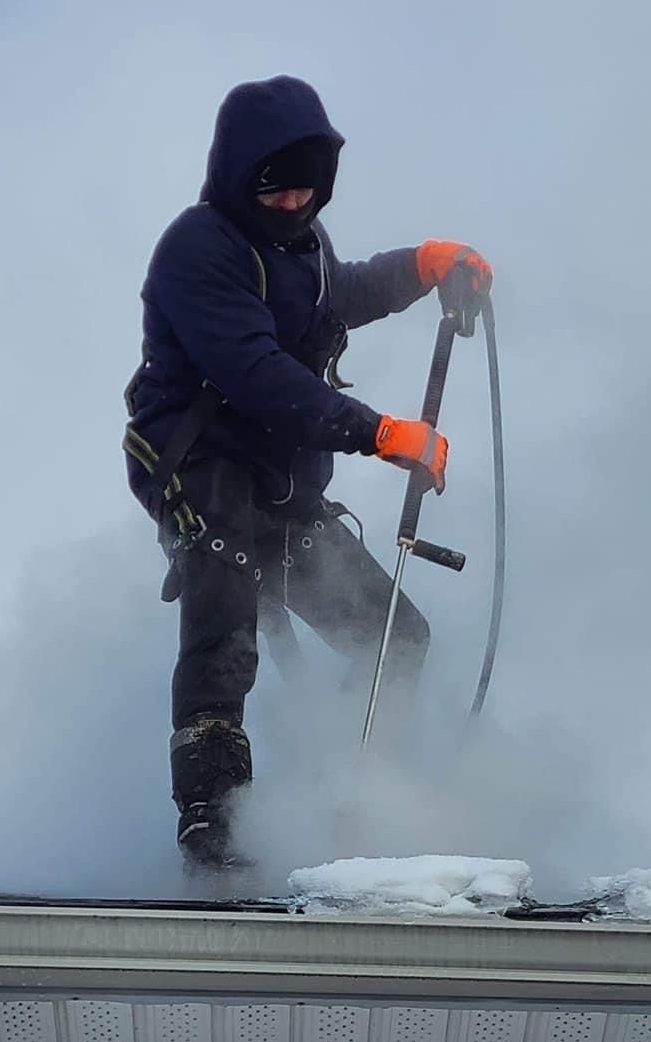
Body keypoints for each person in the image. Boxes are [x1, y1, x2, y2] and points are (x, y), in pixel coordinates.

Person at [124, 74, 492, 873]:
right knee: (226, 631)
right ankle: (214, 826)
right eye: (276, 187)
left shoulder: (305, 245)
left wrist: (423, 266)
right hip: (207, 472)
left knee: (397, 637)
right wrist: (378, 432)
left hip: (287, 490)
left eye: (308, 188)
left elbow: (341, 294)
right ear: (238, 175)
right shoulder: (199, 251)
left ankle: (360, 792)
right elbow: (254, 371)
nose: (293, 202)